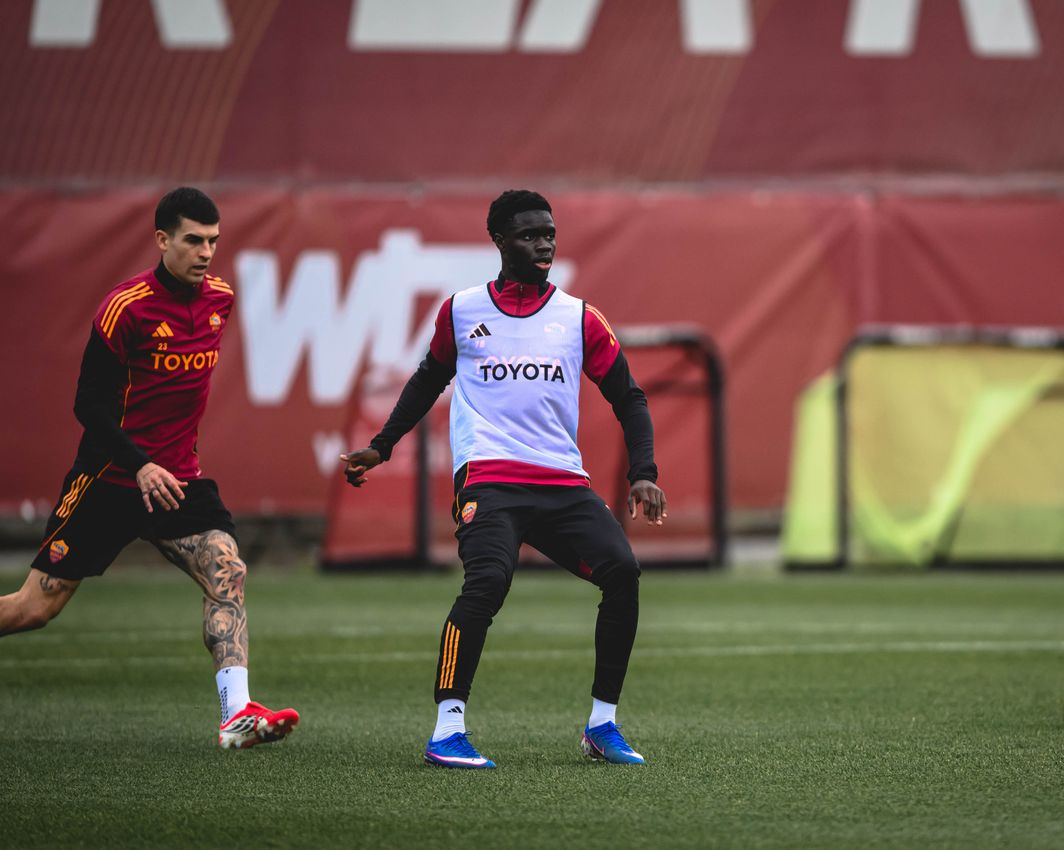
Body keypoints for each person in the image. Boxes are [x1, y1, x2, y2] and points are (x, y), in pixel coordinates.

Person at [341, 189, 667, 769]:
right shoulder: (462, 310)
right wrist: (381, 446)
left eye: (550, 233)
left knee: (623, 572)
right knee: (488, 582)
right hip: (489, 478)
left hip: (562, 483)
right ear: (498, 240)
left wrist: (643, 472)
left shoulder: (579, 317)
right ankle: (446, 731)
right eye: (528, 234)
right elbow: (426, 380)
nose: (543, 244)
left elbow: (630, 398)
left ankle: (602, 725)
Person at [0, 187, 299, 750]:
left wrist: (163, 467)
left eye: (213, 240)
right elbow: (88, 406)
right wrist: (139, 465)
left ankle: (235, 714)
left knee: (227, 571)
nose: (206, 251)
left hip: (179, 481)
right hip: (109, 480)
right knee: (32, 610)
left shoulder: (221, 298)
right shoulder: (126, 307)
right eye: (192, 240)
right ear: (162, 240)